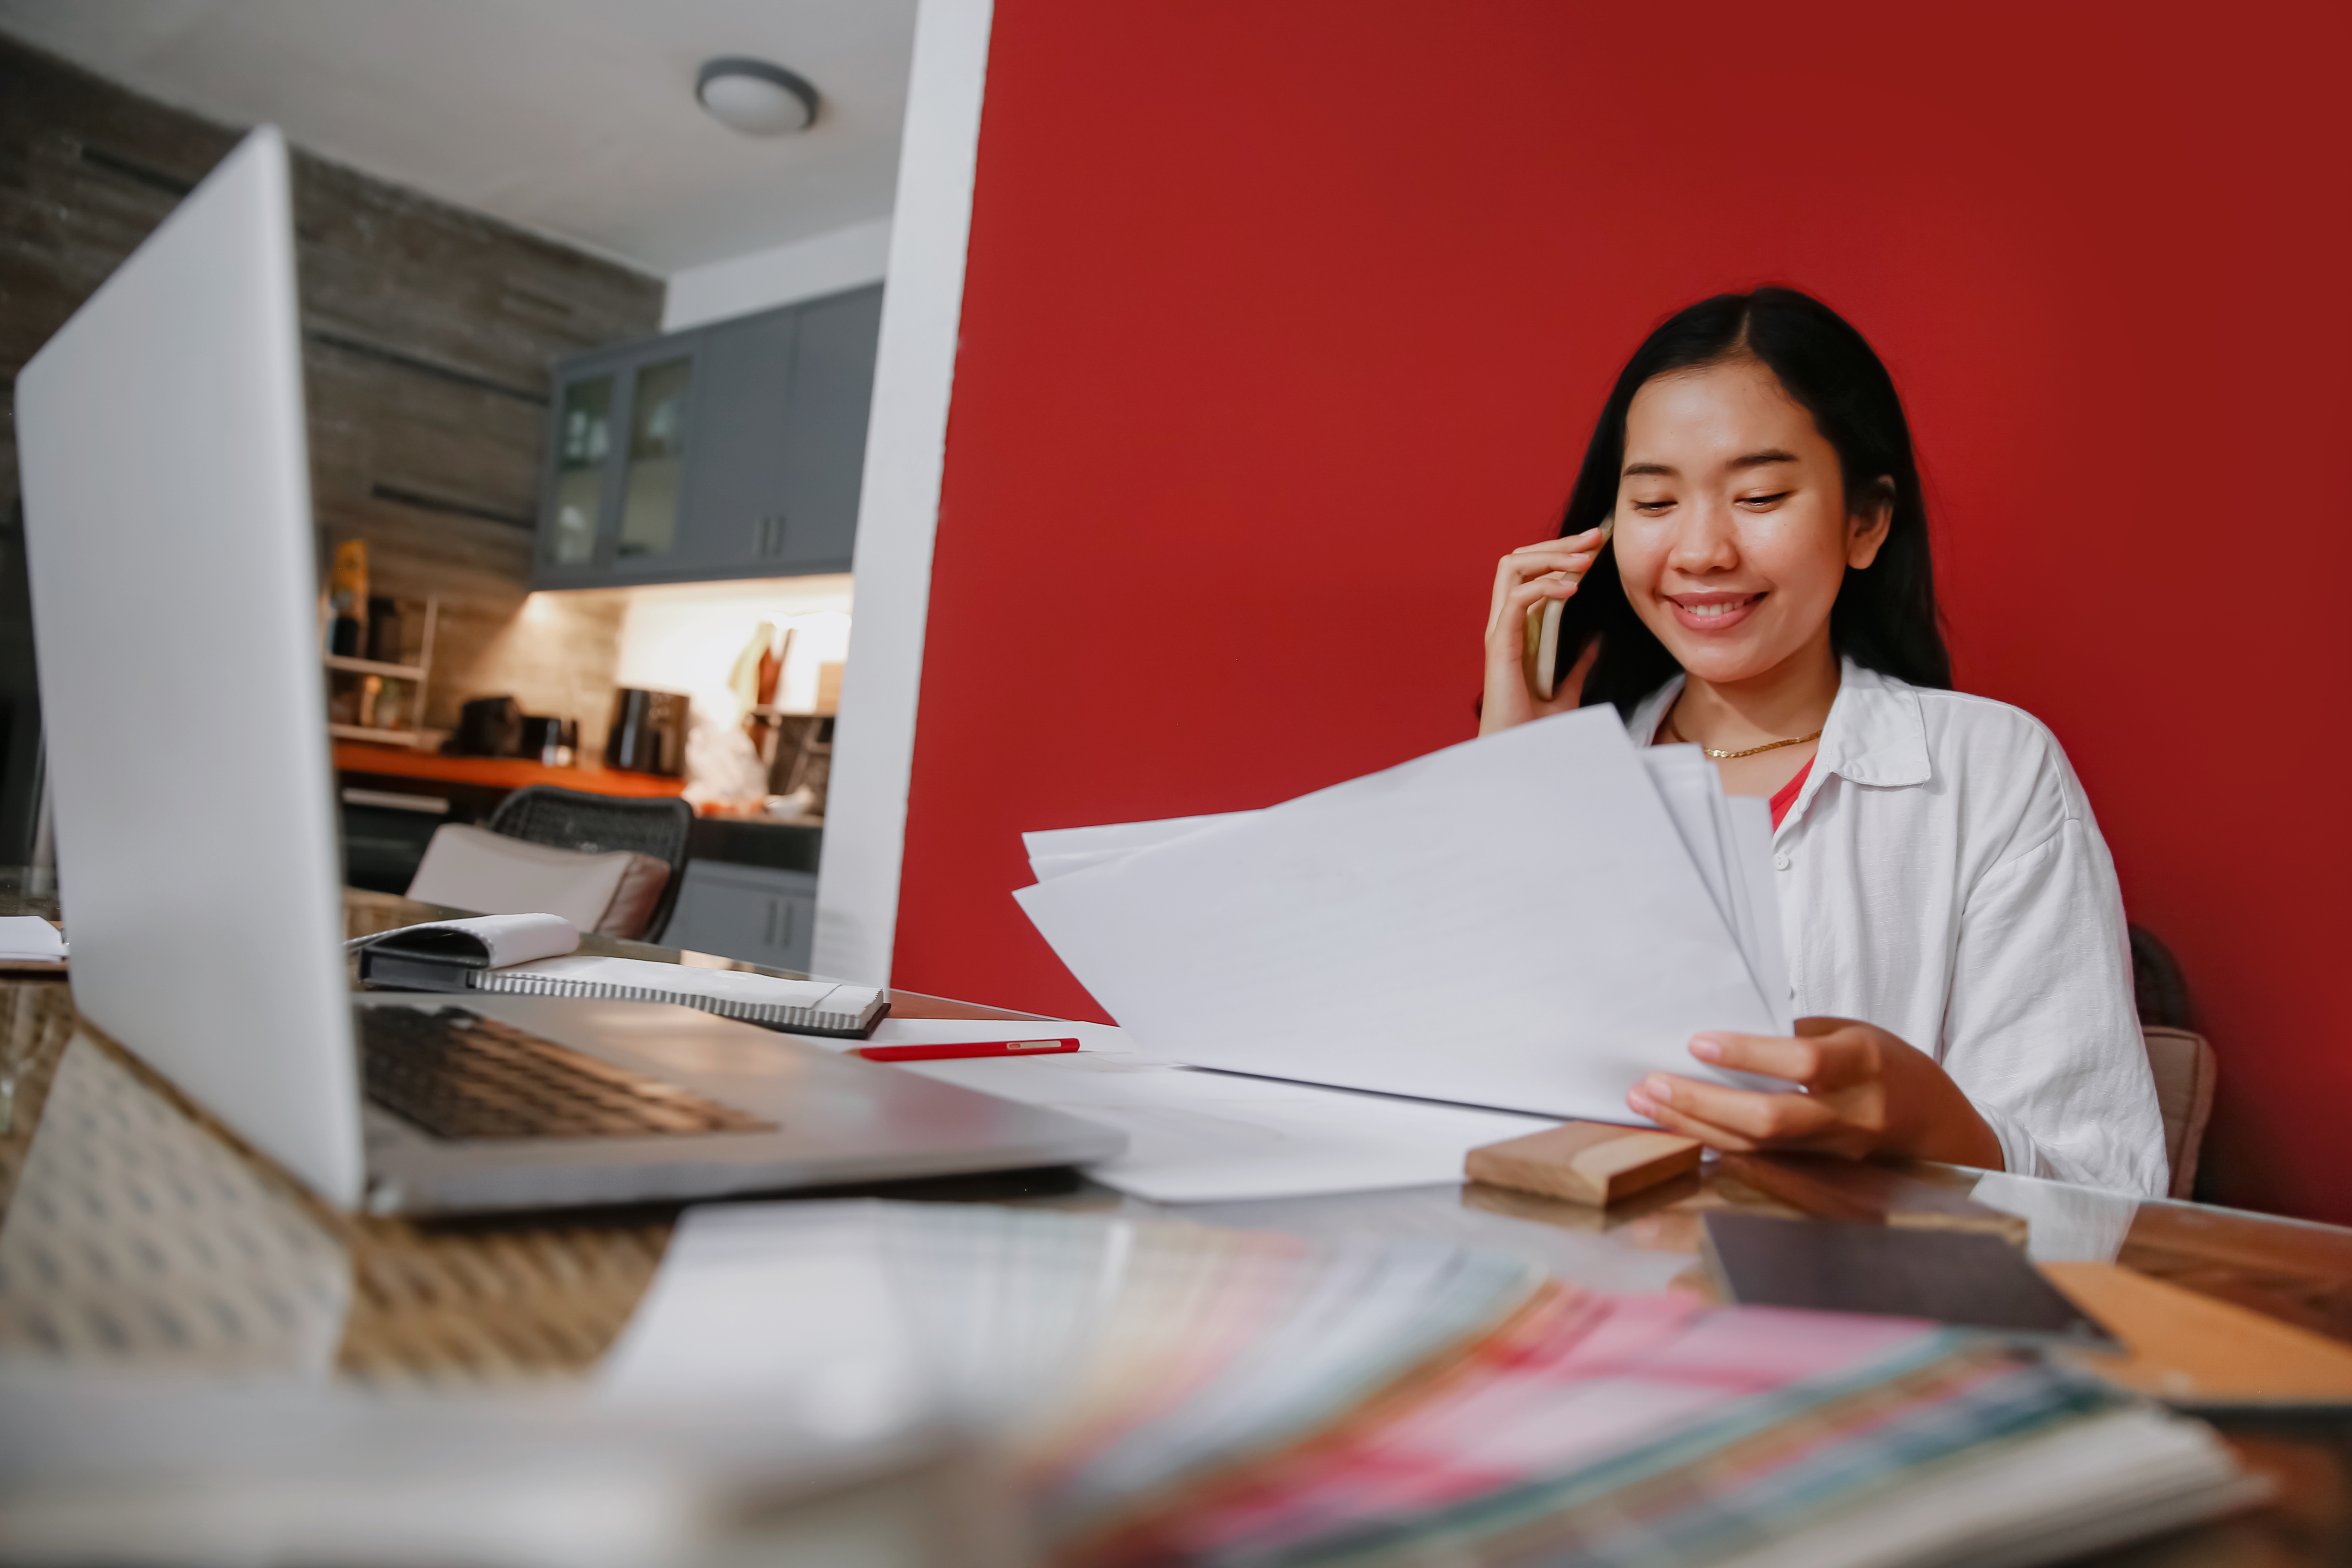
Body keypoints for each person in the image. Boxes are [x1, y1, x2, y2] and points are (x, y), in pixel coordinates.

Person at [1479, 287, 2166, 1196]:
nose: (1699, 550)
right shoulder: (1566, 772)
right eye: (1653, 501)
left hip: (1874, 1312)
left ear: (1865, 522)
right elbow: (1454, 1109)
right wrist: (1507, 787)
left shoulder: (1992, 773)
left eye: (1758, 495)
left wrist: (1931, 1122)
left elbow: (2108, 1189)